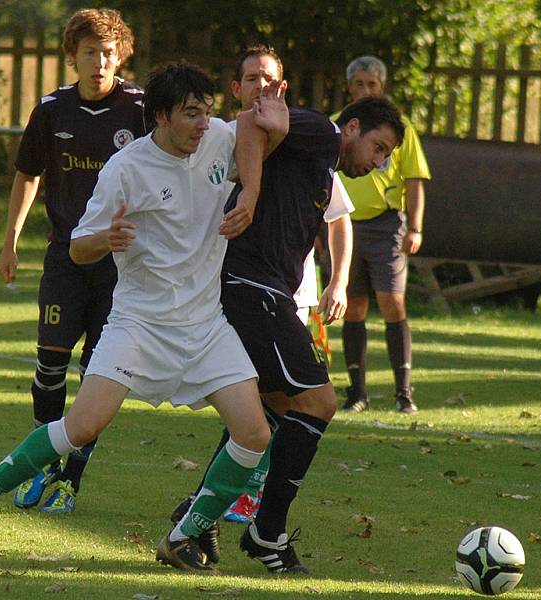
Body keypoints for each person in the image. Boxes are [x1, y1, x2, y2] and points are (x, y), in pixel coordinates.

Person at [0, 62, 290, 575]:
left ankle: (183, 535)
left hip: (204, 325)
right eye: (191, 114)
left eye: (207, 112)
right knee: (82, 427)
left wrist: (272, 136)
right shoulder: (126, 167)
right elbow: (78, 246)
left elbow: (251, 136)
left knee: (255, 434)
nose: (203, 124)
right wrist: (106, 239)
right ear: (160, 117)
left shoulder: (216, 137)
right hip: (139, 324)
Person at [174, 54, 405, 573]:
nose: (379, 162)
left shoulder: (319, 159)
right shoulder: (322, 133)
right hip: (252, 286)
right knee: (320, 401)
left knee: (268, 411)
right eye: (379, 148)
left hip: (255, 286)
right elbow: (253, 121)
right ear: (352, 127)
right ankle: (267, 532)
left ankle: (198, 515)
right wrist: (252, 191)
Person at [0, 8, 144, 514]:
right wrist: (10, 239)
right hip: (65, 257)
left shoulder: (142, 110)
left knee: (97, 373)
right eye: (89, 53)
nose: (99, 62)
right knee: (50, 362)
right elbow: (28, 175)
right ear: (73, 56)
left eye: (107, 53)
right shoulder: (52, 110)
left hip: (122, 264)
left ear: (120, 55)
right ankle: (43, 463)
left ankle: (70, 479)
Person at [336, 56, 432, 415]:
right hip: (342, 224)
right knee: (352, 305)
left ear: (382, 87)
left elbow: (415, 180)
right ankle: (356, 392)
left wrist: (416, 226)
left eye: (371, 85)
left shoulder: (398, 130)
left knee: (393, 302)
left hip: (386, 224)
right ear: (349, 87)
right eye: (358, 84)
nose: (364, 90)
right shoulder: (339, 125)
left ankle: (403, 392)